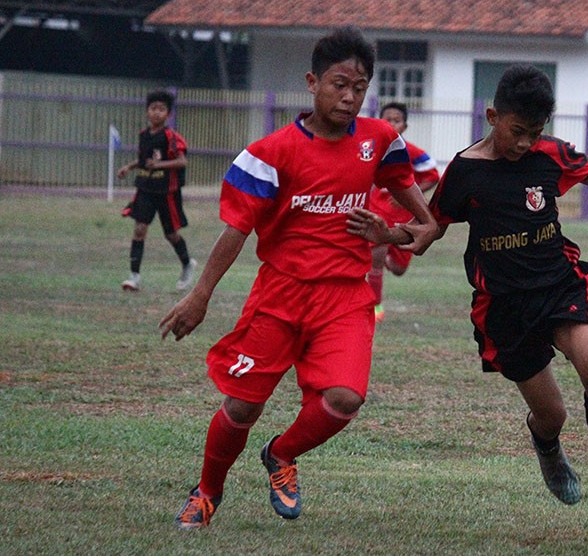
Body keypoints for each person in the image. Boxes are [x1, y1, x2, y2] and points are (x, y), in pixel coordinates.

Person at [348, 65, 588, 522]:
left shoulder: (550, 155)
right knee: (553, 416)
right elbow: (428, 232)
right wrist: (387, 234)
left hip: (557, 284)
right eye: (518, 132)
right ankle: (546, 445)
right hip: (504, 307)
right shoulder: (465, 172)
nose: (527, 143)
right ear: (492, 116)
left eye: (535, 132)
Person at [160, 27, 438, 529]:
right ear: (312, 82)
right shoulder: (271, 152)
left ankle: (281, 454)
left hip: (345, 297)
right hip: (280, 295)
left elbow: (426, 228)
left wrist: (389, 232)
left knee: (345, 398)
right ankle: (207, 491)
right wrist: (200, 296)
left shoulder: (380, 142)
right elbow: (235, 232)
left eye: (359, 86)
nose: (350, 96)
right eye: (339, 84)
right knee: (241, 406)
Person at [367, 102, 441, 323]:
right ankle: (374, 305)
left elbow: (432, 175)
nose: (391, 124)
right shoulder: (370, 148)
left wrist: (406, 197)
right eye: (386, 120)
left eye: (396, 120)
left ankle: (384, 257)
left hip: (402, 218)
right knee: (376, 258)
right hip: (377, 211)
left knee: (399, 268)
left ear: (405, 126)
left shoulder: (410, 151)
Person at [116, 90, 196, 292]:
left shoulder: (171, 137)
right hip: (145, 188)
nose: (156, 113)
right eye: (153, 108)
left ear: (168, 114)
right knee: (139, 229)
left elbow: (181, 161)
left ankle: (187, 264)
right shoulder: (144, 135)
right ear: (147, 112)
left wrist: (159, 165)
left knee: (171, 234)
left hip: (166, 191)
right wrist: (130, 167)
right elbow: (145, 159)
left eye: (161, 109)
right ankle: (134, 277)